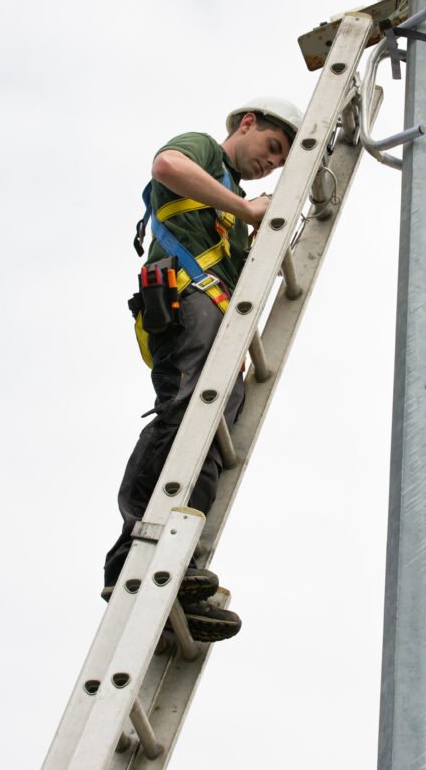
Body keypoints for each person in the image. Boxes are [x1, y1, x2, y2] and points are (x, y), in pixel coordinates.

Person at [103, 97, 303, 643]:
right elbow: (166, 167)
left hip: (220, 325)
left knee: (212, 439)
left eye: (282, 158)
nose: (271, 162)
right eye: (271, 147)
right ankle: (133, 549)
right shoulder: (204, 152)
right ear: (247, 123)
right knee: (183, 411)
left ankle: (179, 567)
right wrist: (246, 212)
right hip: (185, 300)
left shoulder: (231, 204)